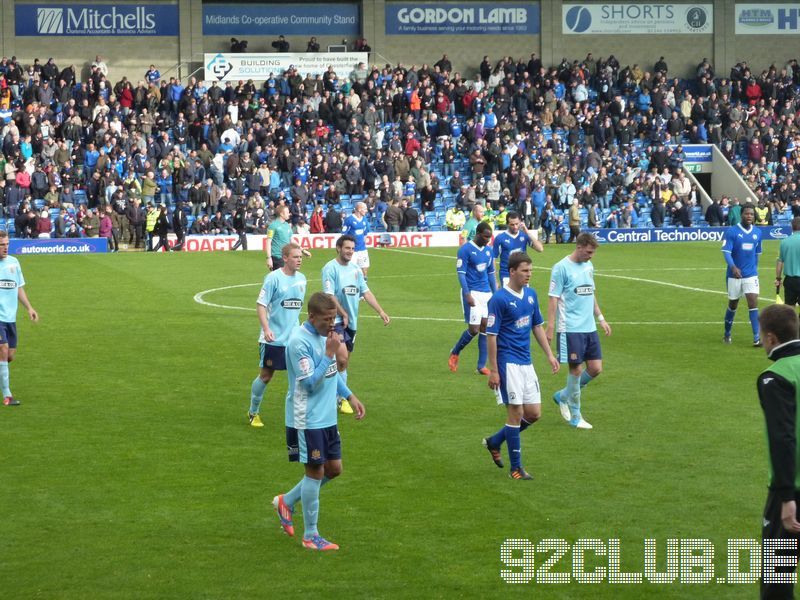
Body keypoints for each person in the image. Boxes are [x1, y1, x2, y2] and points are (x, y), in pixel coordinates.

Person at [272, 292, 365, 551]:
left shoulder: (328, 336)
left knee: (334, 469)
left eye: (334, 318)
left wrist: (350, 395)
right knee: (315, 472)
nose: (331, 324)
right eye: (327, 319)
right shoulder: (298, 342)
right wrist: (328, 354)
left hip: (328, 418)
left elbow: (333, 374)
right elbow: (311, 383)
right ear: (311, 316)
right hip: (307, 419)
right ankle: (310, 535)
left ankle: (287, 501)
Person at [482, 253, 559, 480]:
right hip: (508, 363)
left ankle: (495, 442)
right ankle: (516, 468)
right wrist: (494, 370)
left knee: (534, 414)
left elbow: (537, 326)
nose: (529, 275)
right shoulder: (499, 299)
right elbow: (491, 336)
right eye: (525, 271)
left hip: (526, 362)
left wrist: (549, 355)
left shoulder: (531, 295)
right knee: (515, 413)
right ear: (512, 271)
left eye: (531, 271)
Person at [756, 304, 800, 599]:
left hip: (792, 490)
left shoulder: (774, 377)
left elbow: (782, 438)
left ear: (771, 338)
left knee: (776, 579)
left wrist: (786, 498)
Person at [546, 233, 612, 430]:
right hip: (570, 328)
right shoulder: (561, 268)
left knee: (596, 368)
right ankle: (576, 416)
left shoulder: (589, 266)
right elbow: (553, 298)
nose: (591, 256)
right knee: (576, 369)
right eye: (589, 252)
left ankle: (563, 396)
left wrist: (601, 318)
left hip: (589, 326)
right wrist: (550, 326)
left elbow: (591, 293)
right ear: (580, 247)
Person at [322, 235, 390, 414]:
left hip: (351, 322)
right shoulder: (330, 268)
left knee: (343, 364)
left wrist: (380, 311)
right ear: (338, 248)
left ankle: (335, 396)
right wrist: (342, 313)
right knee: (342, 358)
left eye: (352, 248)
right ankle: (344, 398)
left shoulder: (356, 270)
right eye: (347, 248)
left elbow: (366, 292)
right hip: (335, 321)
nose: (350, 251)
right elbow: (329, 295)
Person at [247, 243, 307, 427]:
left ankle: (299, 416)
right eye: (295, 257)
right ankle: (253, 412)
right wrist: (266, 329)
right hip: (273, 338)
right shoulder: (273, 278)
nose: (299, 260)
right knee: (266, 376)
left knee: (300, 378)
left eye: (300, 257)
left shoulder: (302, 279)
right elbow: (261, 305)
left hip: (294, 339)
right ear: (285, 258)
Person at [449, 221, 497, 375]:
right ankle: (455, 352)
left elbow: (490, 274)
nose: (488, 239)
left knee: (485, 327)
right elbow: (461, 274)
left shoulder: (489, 251)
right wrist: (467, 293)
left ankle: (481, 365)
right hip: (473, 293)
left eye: (489, 237)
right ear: (477, 234)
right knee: (474, 329)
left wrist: (495, 294)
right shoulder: (465, 250)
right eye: (485, 236)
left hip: (486, 293)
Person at [0, 231, 38, 406]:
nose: (5, 247)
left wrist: (29, 308)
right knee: (3, 349)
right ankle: (7, 395)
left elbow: (19, 288)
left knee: (9, 356)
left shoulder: (14, 263)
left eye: (7, 244)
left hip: (10, 318)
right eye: (2, 245)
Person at [722, 203, 762, 346]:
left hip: (750, 274)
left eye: (751, 214)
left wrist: (754, 269)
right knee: (733, 304)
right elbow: (726, 252)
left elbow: (757, 253)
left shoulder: (758, 232)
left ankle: (757, 338)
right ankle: (727, 333)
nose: (749, 216)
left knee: (753, 303)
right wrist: (733, 267)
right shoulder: (732, 231)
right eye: (746, 214)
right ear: (741, 215)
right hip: (734, 275)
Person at [493, 211, 543, 287]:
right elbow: (493, 258)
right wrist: (495, 280)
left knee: (523, 297)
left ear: (520, 222)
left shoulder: (524, 235)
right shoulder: (500, 238)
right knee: (509, 298)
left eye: (517, 224)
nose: (515, 227)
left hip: (522, 274)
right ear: (507, 224)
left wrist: (528, 232)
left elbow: (540, 249)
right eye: (512, 224)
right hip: (506, 275)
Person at [266, 204, 311, 269]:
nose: (289, 214)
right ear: (281, 214)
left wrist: (303, 250)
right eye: (287, 212)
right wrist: (269, 258)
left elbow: (292, 241)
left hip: (286, 257)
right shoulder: (273, 225)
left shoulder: (287, 225)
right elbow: (268, 242)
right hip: (277, 257)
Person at [342, 202, 371, 279]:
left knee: (364, 267)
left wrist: (362, 243)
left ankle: (364, 282)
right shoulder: (349, 220)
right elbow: (344, 235)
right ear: (359, 209)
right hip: (353, 250)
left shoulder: (364, 219)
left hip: (362, 249)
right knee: (351, 269)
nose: (366, 210)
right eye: (365, 209)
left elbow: (365, 233)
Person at [776, 217, 800, 307]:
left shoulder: (784, 242)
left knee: (789, 308)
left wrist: (778, 278)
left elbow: (780, 262)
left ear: (791, 227)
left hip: (790, 280)